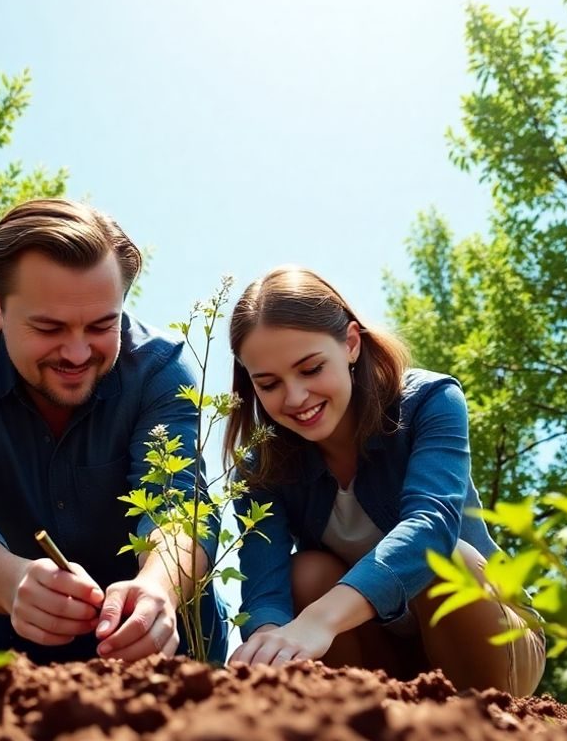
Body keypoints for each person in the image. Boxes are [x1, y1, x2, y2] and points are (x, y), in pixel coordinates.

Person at [0, 198, 224, 685]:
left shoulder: (161, 369)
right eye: (49, 328)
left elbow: (177, 505)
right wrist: (13, 582)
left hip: (129, 627)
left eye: (101, 326)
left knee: (193, 610)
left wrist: (158, 587)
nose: (77, 352)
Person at [224, 265, 545, 695]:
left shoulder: (430, 402)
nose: (295, 398)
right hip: (381, 656)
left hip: (490, 634)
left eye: (311, 368)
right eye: (269, 384)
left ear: (351, 344)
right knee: (305, 573)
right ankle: (359, 721)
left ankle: (484, 722)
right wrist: (266, 644)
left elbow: (431, 526)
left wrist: (319, 621)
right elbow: (267, 587)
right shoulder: (261, 466)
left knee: (447, 561)